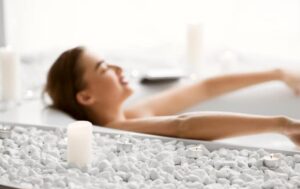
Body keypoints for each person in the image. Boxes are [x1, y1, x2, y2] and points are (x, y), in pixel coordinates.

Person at [44, 46, 300, 146]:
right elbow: (183, 126)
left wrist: (278, 73)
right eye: (104, 68)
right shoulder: (116, 128)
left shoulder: (133, 114)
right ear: (86, 97)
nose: (118, 69)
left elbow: (205, 88)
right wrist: (282, 125)